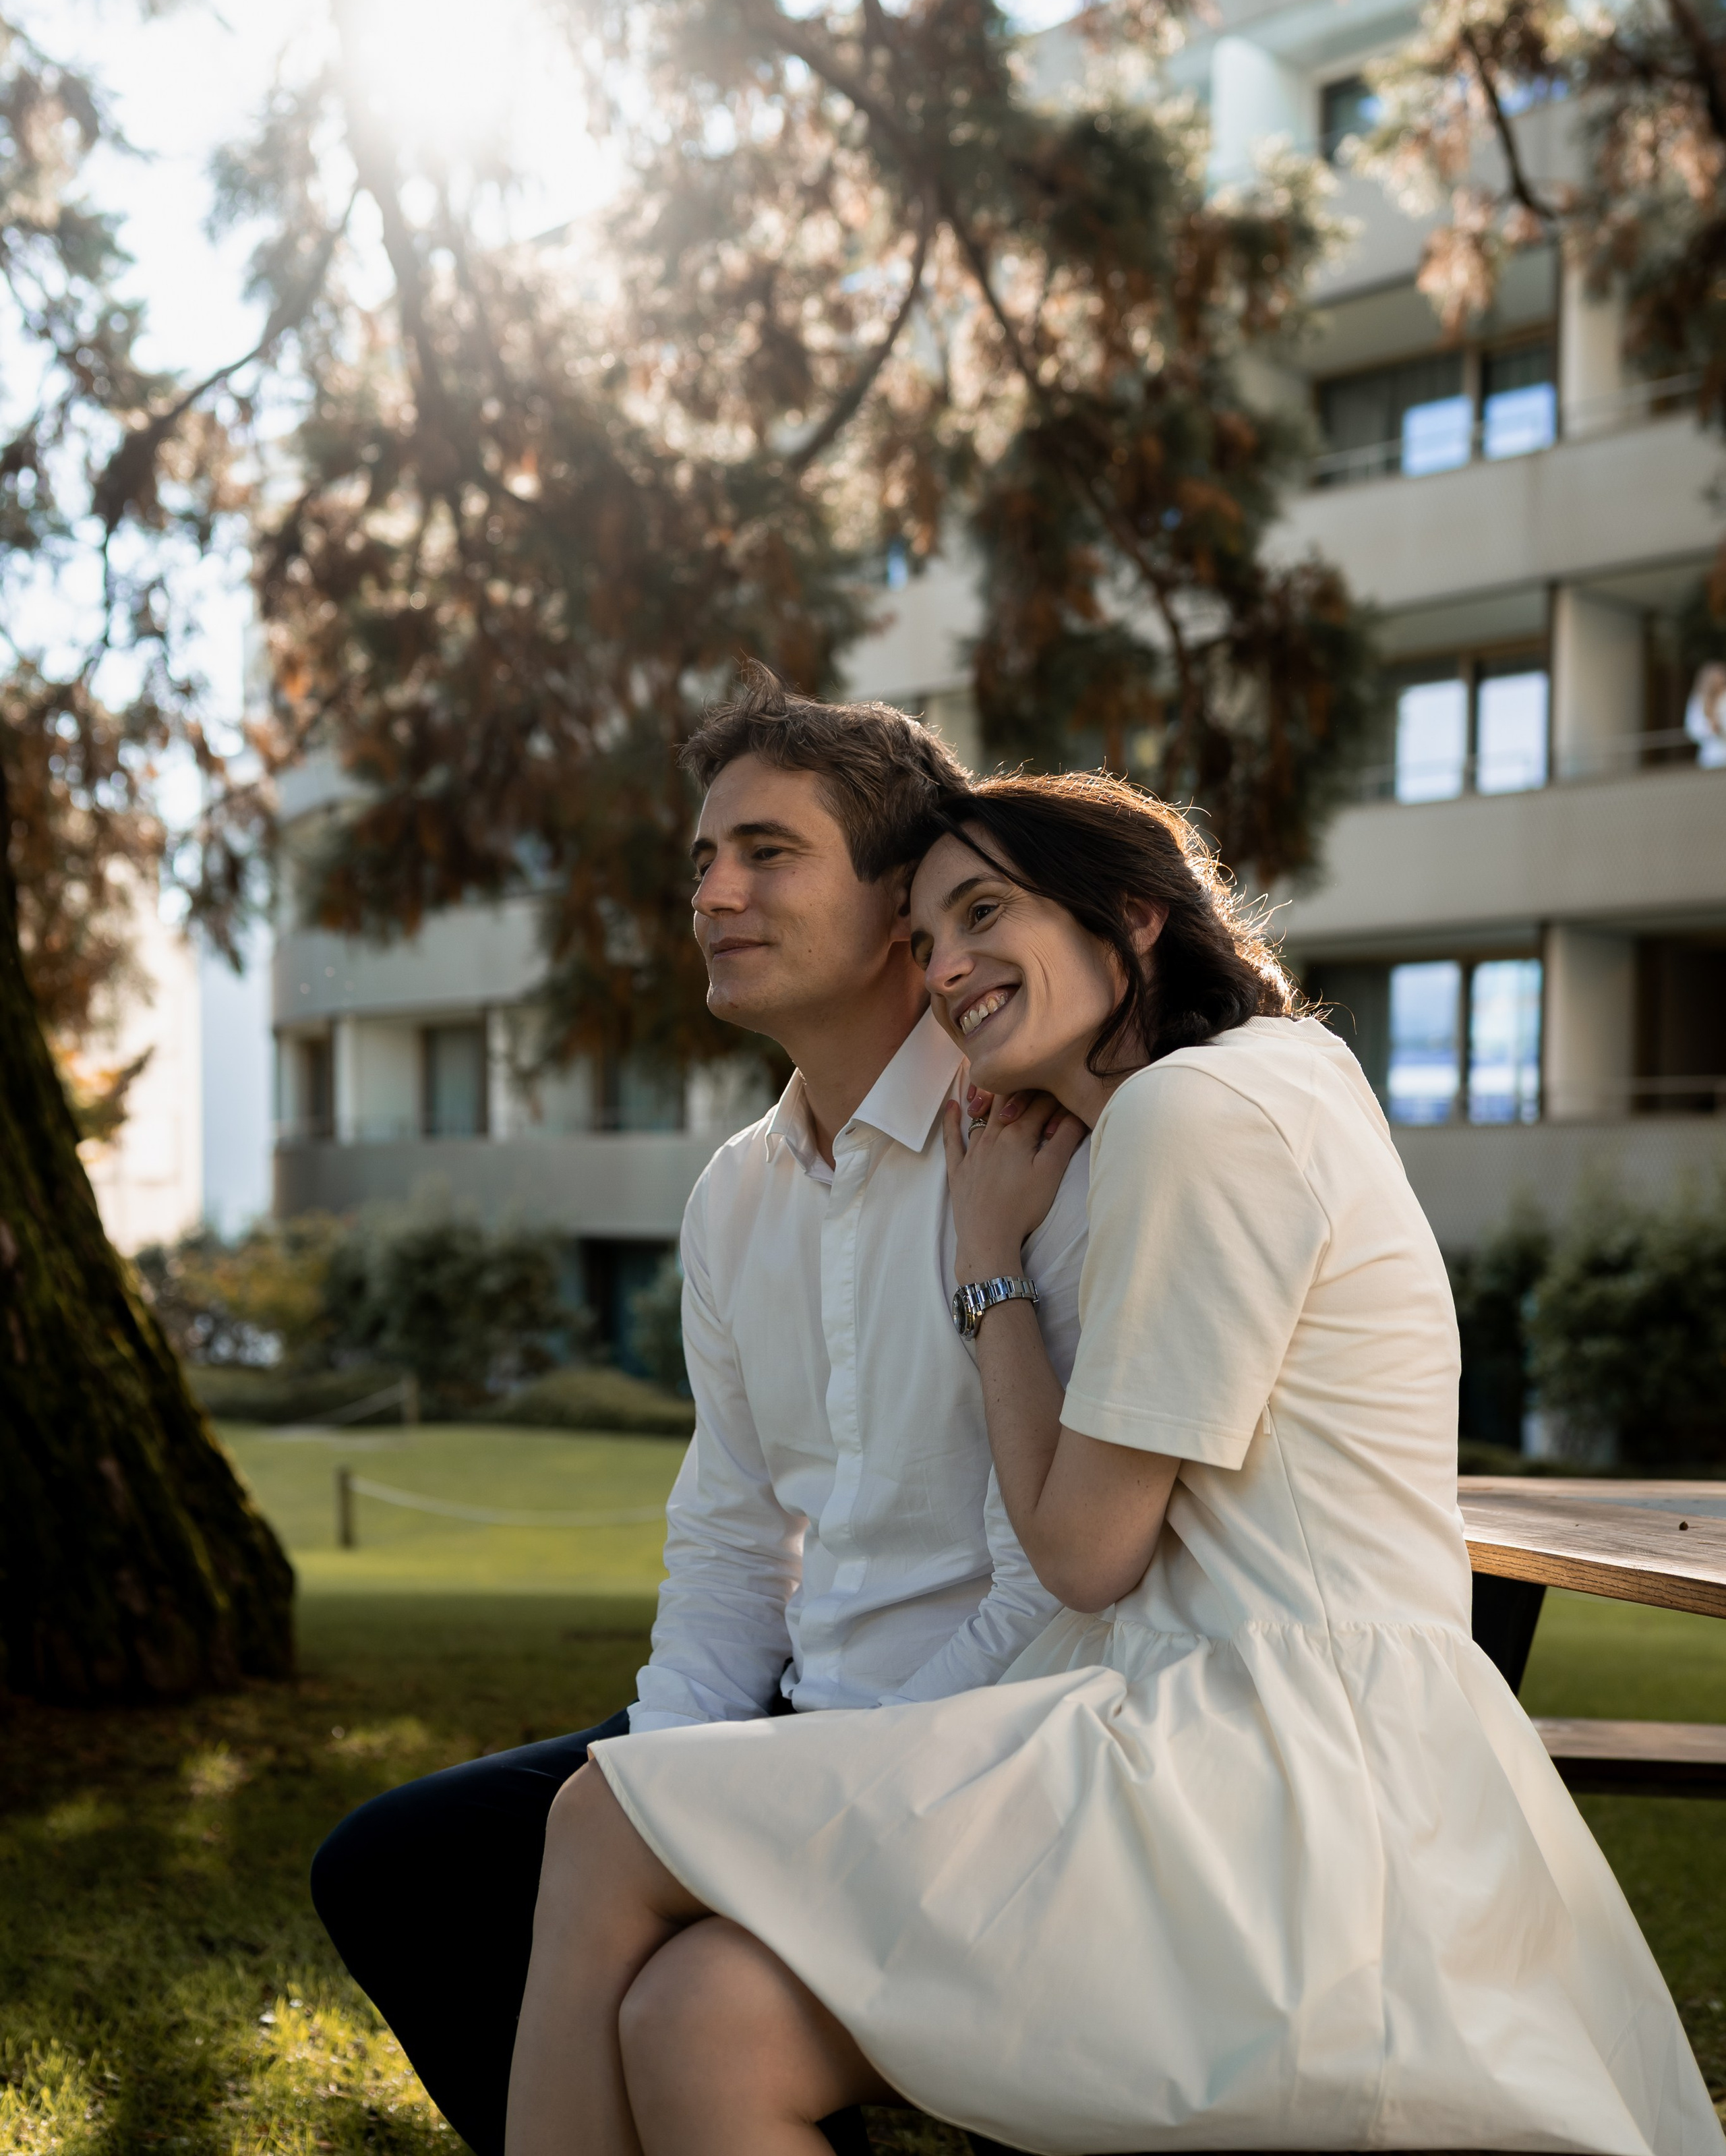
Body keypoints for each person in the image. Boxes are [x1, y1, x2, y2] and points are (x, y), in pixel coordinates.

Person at [508, 771, 1719, 2156]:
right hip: (1199, 1722)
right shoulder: (1259, 1085)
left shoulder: (1195, 1113)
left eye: (982, 912)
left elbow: (1085, 1549)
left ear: (1133, 919)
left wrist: (982, 1267)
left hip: (1261, 1766)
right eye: (921, 933)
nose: (945, 965)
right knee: (701, 2015)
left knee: (605, 1817)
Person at [310, 677, 1091, 2156]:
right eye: (699, 861)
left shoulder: (1031, 1152)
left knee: (656, 1930)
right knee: (399, 1867)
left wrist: (758, 1816)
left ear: (900, 907)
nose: (712, 893)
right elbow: (735, 1536)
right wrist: (668, 1771)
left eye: (767, 852)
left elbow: (1038, 1592)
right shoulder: (734, 1192)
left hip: (975, 1743)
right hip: (796, 1711)